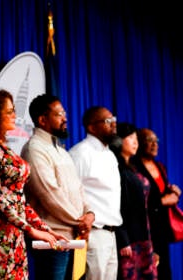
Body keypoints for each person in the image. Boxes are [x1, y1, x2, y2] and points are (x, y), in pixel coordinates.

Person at [0, 89, 68, 280]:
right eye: (9, 111)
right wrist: (31, 229)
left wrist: (44, 228)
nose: (14, 115)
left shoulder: (5, 148)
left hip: (16, 234)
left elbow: (19, 199)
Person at [20, 94, 95, 280]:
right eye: (59, 114)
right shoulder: (34, 149)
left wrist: (90, 213)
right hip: (52, 239)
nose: (65, 118)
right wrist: (80, 221)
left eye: (64, 113)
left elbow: (79, 188)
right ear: (42, 119)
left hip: (74, 236)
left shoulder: (61, 150)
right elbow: (48, 194)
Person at [69, 106, 122, 280]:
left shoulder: (110, 155)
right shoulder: (80, 153)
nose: (113, 124)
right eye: (108, 121)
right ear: (92, 127)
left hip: (111, 234)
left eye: (113, 119)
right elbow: (70, 193)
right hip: (94, 235)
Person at [110, 123, 158, 279]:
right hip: (129, 238)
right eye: (130, 138)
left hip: (143, 234)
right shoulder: (116, 168)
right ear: (118, 140)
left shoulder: (134, 167)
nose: (135, 142)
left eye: (136, 138)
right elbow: (117, 205)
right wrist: (123, 238)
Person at [134, 128, 182, 280]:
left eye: (157, 141)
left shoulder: (160, 166)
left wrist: (174, 193)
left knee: (164, 271)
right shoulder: (133, 167)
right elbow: (135, 200)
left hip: (162, 228)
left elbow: (160, 193)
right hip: (144, 229)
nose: (155, 144)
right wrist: (163, 201)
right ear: (139, 143)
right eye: (150, 140)